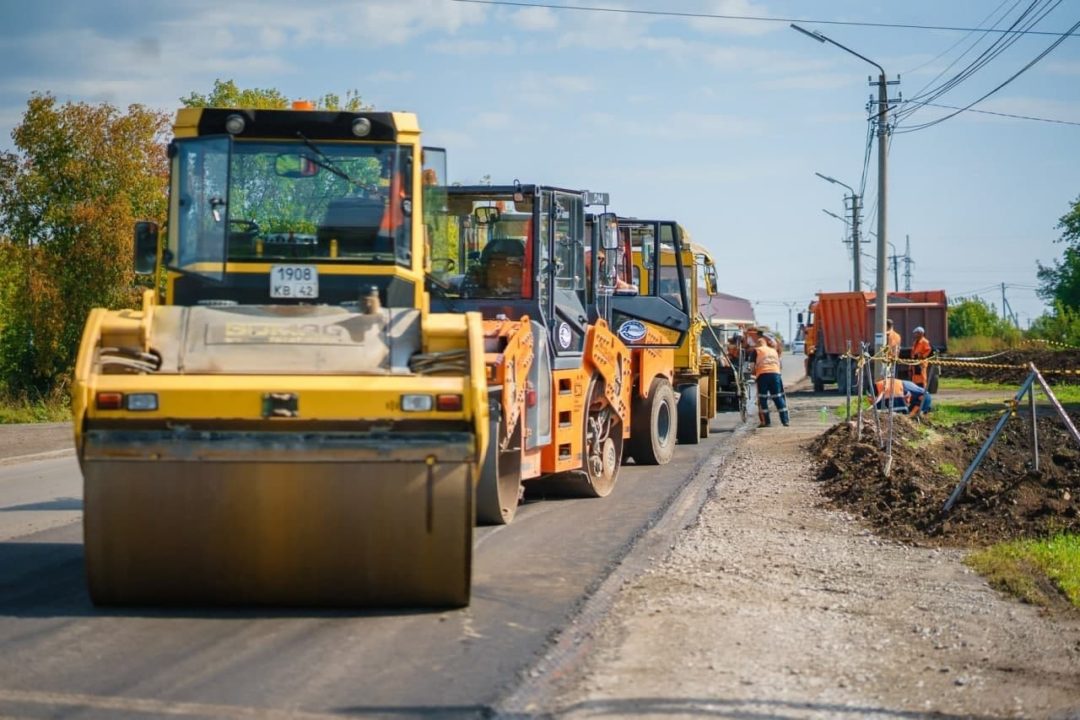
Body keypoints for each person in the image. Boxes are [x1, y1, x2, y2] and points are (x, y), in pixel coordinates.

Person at [750, 336, 789, 427]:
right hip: (776, 375)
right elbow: (780, 365)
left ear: (758, 344)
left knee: (763, 399)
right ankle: (785, 421)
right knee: (778, 397)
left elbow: (752, 366)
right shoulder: (773, 350)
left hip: (763, 375)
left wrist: (754, 373)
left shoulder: (757, 350)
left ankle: (766, 422)